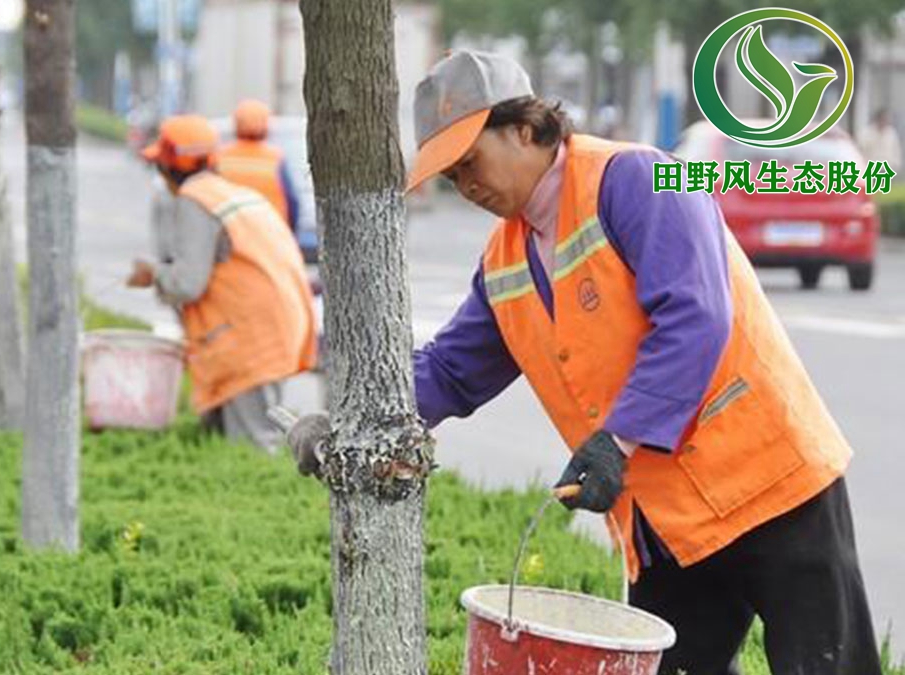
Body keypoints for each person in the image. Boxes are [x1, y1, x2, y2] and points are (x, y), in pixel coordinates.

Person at [287, 51, 881, 674]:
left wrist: (615, 443)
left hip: (767, 483)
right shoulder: (505, 259)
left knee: (827, 664)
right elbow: (449, 371)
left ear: (525, 127)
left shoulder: (637, 178)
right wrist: (346, 424)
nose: (466, 187)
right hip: (664, 524)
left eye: (470, 162)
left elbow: (695, 316)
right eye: (451, 177)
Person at [128, 115, 317, 452]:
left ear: (170, 167)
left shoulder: (194, 198)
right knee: (229, 441)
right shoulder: (228, 192)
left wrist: (152, 274)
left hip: (247, 338)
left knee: (255, 448)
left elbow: (187, 283)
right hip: (270, 326)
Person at [215, 99, 300, 235]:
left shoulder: (220, 157)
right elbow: (292, 201)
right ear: (266, 126)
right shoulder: (275, 158)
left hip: (231, 234)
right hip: (270, 235)